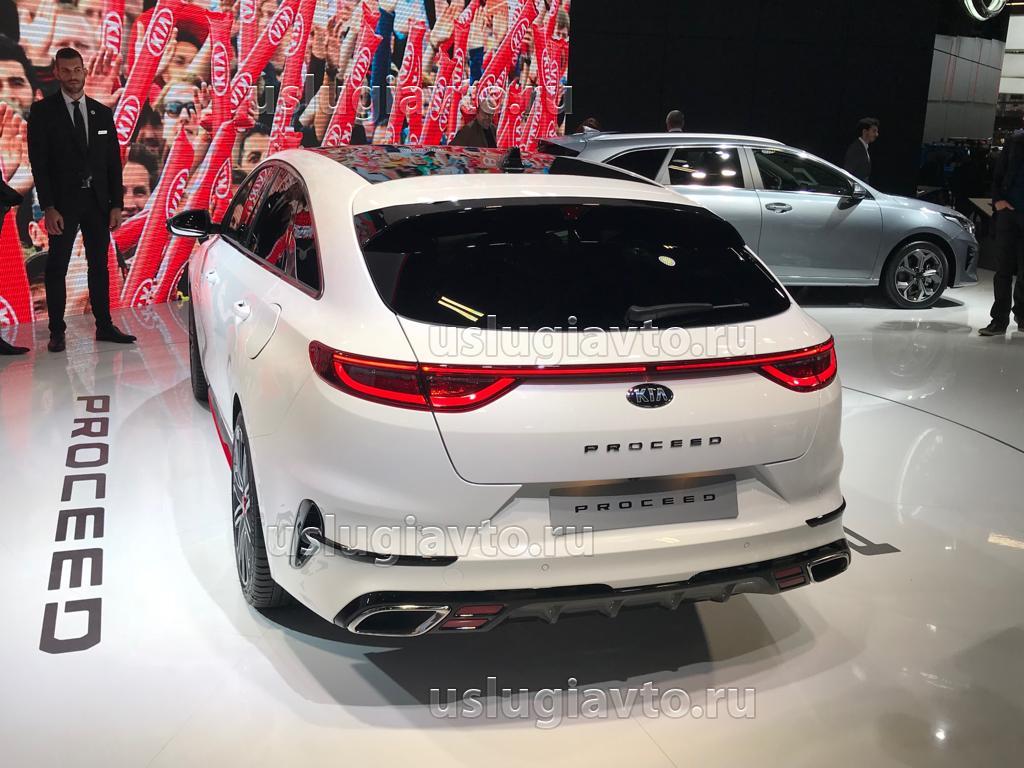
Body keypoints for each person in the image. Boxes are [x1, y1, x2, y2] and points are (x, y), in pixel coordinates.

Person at [27, 46, 134, 353]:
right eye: (66, 70)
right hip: (62, 205)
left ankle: (104, 325)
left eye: (77, 70)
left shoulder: (102, 112)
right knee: (57, 267)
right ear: (56, 73)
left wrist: (116, 204)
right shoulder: (43, 112)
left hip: (98, 203)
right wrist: (48, 207)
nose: (73, 76)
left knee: (99, 265)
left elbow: (112, 163)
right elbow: (39, 164)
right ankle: (57, 332)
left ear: (84, 72)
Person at [979, 129, 1024, 336]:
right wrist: (998, 201)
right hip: (1008, 213)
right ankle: (999, 320)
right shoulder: (1015, 141)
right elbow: (998, 174)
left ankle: (1022, 315)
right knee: (1003, 269)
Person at [843, 117, 879, 183]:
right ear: (864, 131)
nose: (877, 134)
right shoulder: (856, 149)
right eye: (874, 131)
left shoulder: (862, 147)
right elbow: (848, 174)